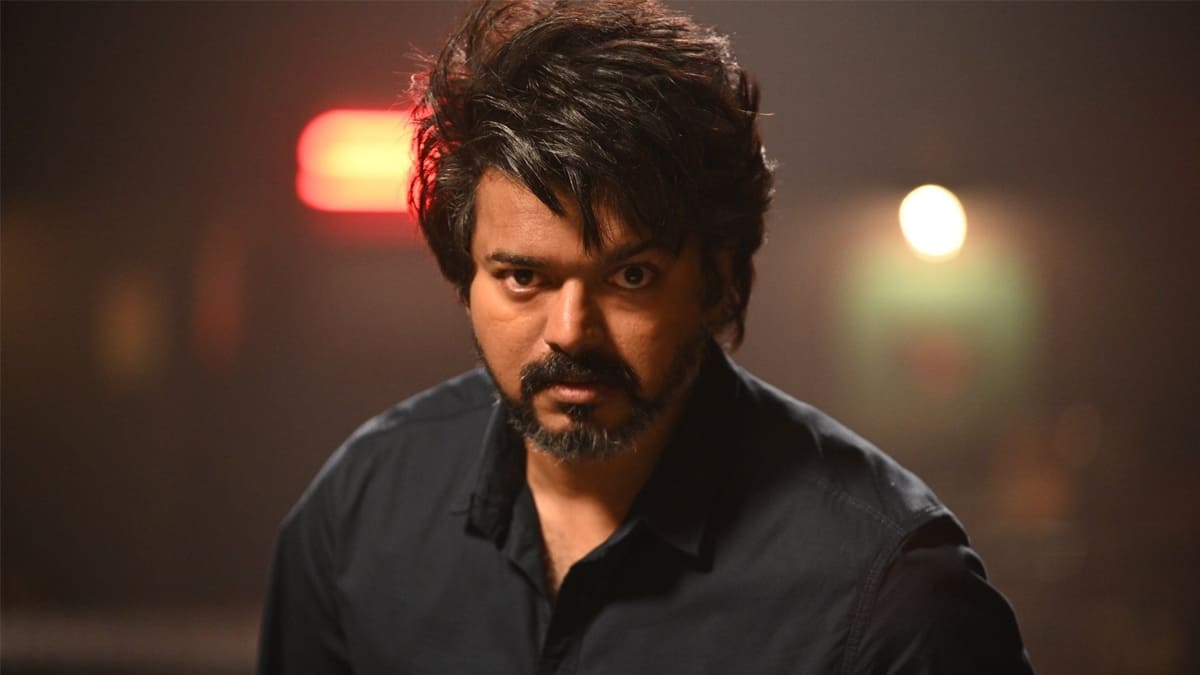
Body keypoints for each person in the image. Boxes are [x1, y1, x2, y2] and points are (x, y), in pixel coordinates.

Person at [258, 1, 1035, 673]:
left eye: (630, 276)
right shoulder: (357, 516)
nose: (571, 331)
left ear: (718, 277)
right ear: (467, 272)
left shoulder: (893, 594)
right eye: (523, 277)